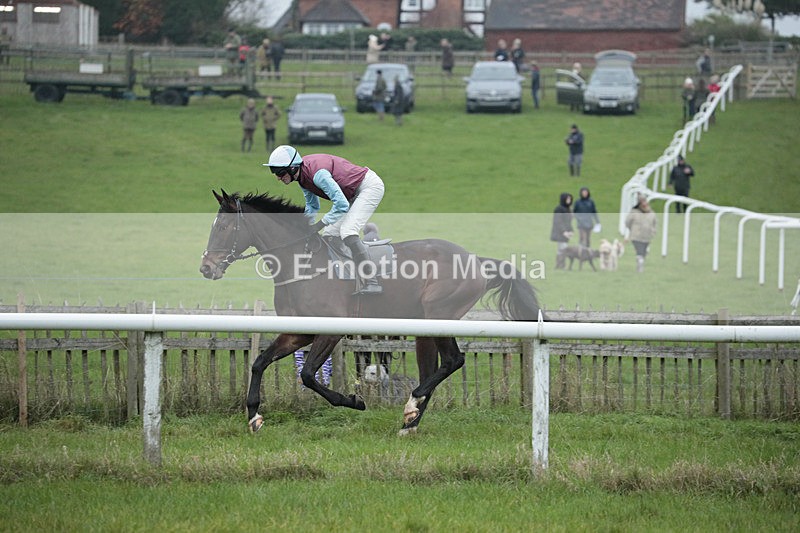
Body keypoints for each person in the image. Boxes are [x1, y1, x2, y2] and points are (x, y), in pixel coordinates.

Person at [264, 146, 386, 295]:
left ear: (293, 168)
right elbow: (312, 206)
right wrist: (305, 227)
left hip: (369, 187)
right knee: (329, 234)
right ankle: (348, 274)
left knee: (348, 231)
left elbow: (341, 204)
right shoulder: (302, 177)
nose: (278, 177)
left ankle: (371, 281)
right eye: (274, 173)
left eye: (280, 173)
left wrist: (320, 224)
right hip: (352, 193)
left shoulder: (318, 175)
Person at [625, 195, 657, 273]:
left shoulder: (651, 213)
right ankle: (640, 261)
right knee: (639, 250)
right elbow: (627, 222)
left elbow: (654, 223)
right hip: (636, 235)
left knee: (644, 251)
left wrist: (653, 231)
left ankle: (641, 259)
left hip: (647, 235)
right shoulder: (634, 212)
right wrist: (632, 229)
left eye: (645, 201)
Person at [550, 193, 574, 270]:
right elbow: (558, 221)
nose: (569, 200)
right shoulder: (559, 209)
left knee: (562, 248)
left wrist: (571, 230)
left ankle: (560, 265)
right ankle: (560, 265)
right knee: (563, 248)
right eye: (567, 199)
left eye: (570, 199)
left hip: (566, 233)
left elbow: (569, 222)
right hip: (559, 232)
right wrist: (564, 232)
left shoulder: (569, 209)